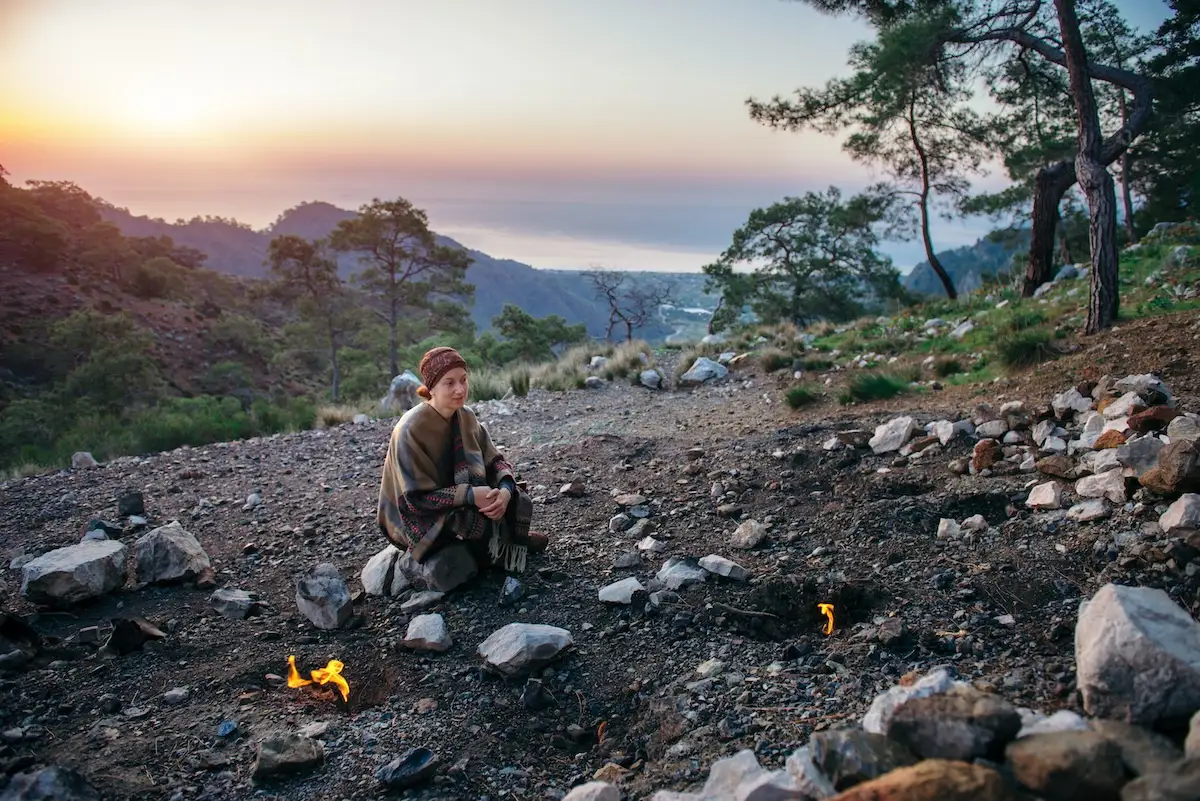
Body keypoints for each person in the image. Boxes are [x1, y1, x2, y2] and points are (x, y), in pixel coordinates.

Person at [377, 346, 547, 573]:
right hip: (416, 513)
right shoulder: (409, 430)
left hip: (460, 493)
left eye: (463, 380)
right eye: (449, 383)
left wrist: (504, 492)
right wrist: (469, 495)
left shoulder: (466, 416)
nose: (460, 389)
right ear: (431, 388)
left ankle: (505, 543)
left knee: (516, 496)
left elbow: (495, 461)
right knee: (467, 520)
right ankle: (498, 552)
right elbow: (414, 499)